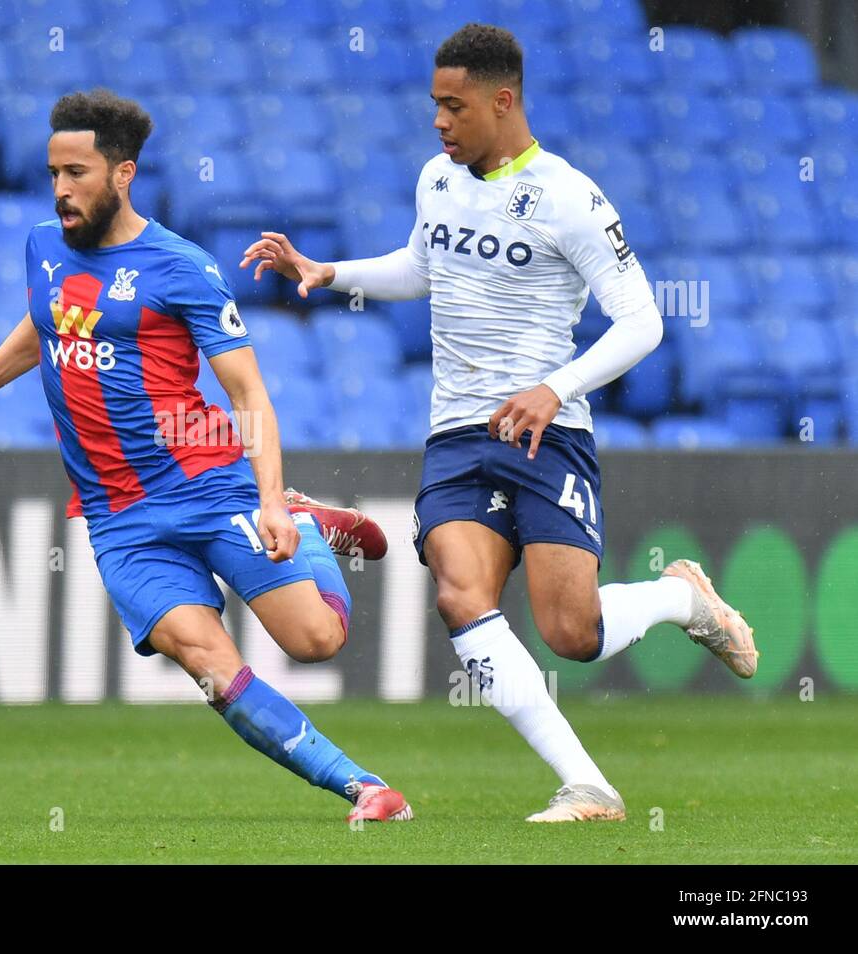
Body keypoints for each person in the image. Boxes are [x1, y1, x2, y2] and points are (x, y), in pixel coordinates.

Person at [240, 23, 758, 822]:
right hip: (456, 433)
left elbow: (643, 323)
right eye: (434, 107)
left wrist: (556, 387)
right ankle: (589, 785)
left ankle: (680, 600)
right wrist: (329, 270)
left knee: (571, 632)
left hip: (548, 434)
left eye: (454, 107)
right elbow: (421, 264)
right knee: (459, 594)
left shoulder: (570, 197)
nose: (439, 123)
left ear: (503, 100)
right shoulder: (436, 181)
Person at [0, 88, 410, 823]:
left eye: (78, 174)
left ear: (123, 175)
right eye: (54, 173)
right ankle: (365, 787)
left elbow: (250, 393)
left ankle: (310, 521)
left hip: (212, 482)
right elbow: (47, 321)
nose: (62, 189)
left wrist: (274, 499)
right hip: (119, 518)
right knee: (208, 665)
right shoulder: (42, 246)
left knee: (315, 639)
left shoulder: (181, 266)